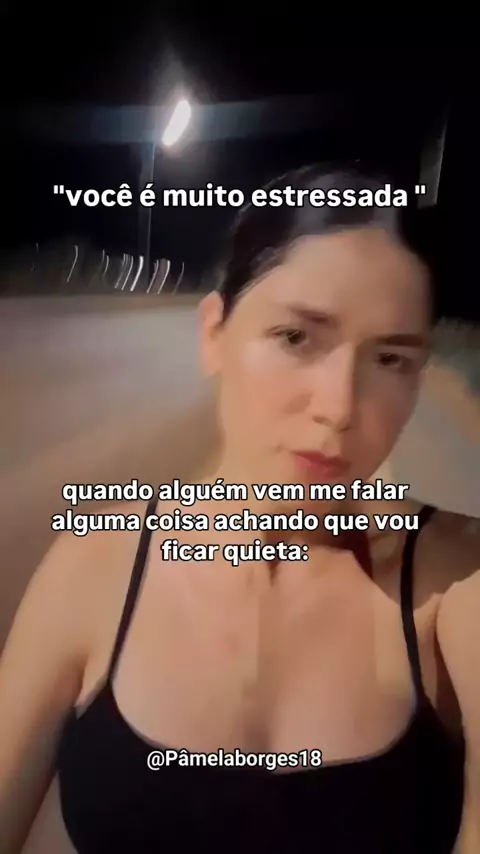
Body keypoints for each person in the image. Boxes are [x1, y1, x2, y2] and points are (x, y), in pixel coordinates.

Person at [0, 164, 479, 854]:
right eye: (296, 338)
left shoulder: (457, 584)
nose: (339, 408)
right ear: (213, 334)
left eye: (391, 360)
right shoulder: (94, 569)